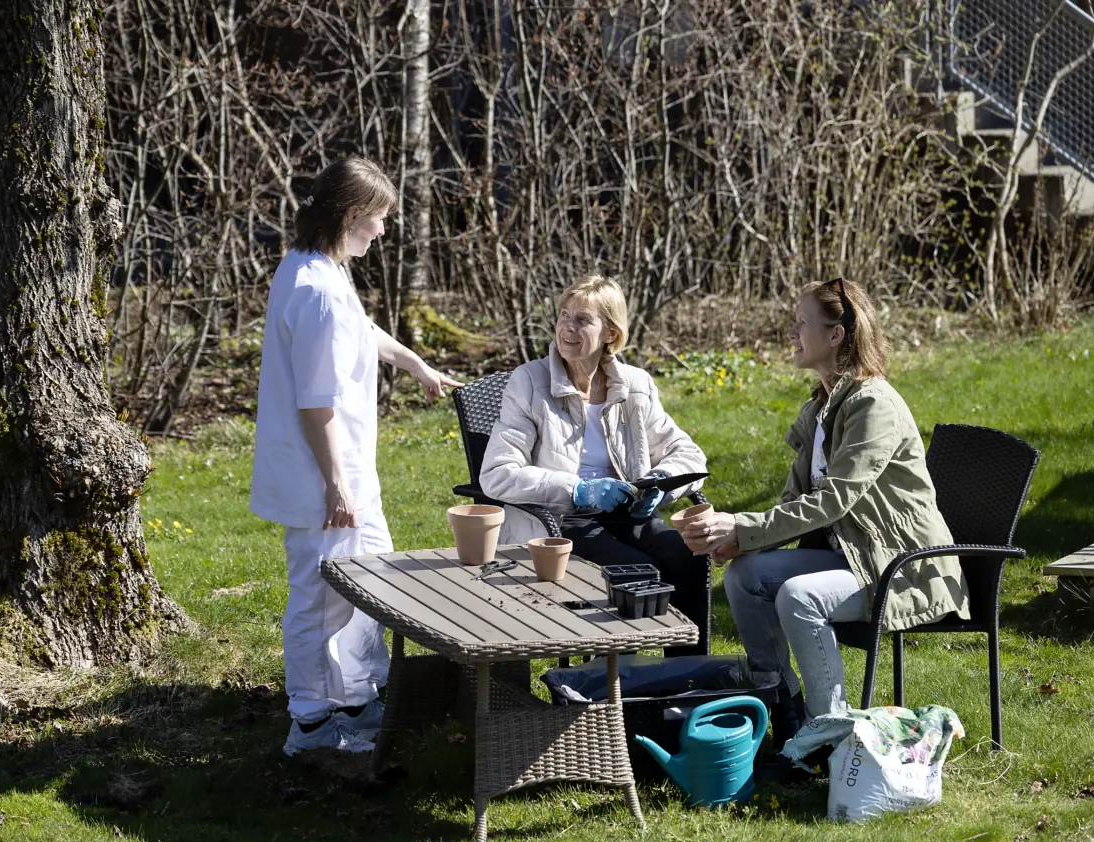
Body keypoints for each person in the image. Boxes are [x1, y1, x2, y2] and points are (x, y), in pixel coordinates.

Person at [678, 278, 968, 764]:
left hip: (901, 566)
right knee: (745, 576)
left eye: (802, 323)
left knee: (799, 595)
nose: (792, 331)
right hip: (852, 555)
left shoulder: (872, 404)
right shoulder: (823, 406)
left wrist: (742, 527)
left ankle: (831, 734)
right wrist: (742, 542)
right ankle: (783, 712)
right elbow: (796, 499)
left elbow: (834, 501)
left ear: (836, 335)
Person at [250, 157, 461, 757]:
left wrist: (414, 363)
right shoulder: (314, 291)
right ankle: (312, 724)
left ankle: (359, 697)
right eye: (379, 219)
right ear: (350, 215)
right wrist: (337, 487)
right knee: (319, 600)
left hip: (348, 476)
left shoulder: (319, 270)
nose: (383, 231)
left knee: (370, 584)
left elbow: (362, 331)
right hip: (323, 479)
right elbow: (316, 405)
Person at [479, 275, 709, 630]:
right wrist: (576, 489)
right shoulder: (529, 382)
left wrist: (661, 484)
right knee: (638, 573)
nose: (567, 328)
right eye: (563, 315)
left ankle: (688, 674)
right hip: (560, 519)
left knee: (687, 556)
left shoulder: (635, 386)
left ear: (610, 334)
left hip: (627, 514)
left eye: (582, 320)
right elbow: (497, 473)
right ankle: (614, 677)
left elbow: (687, 452)